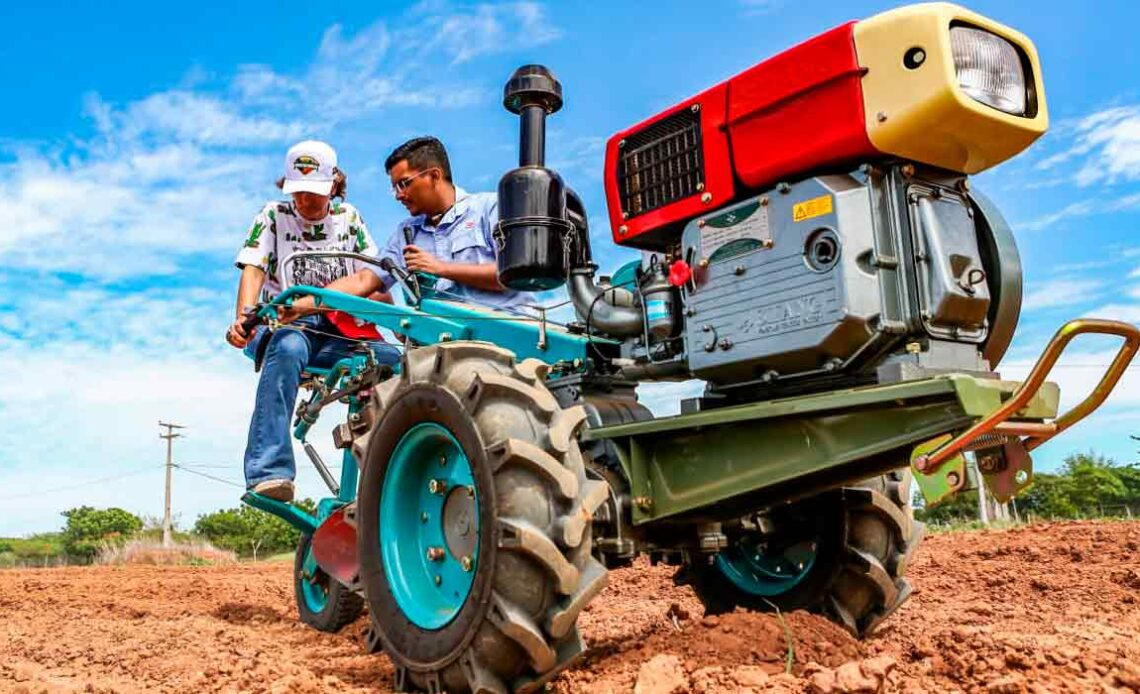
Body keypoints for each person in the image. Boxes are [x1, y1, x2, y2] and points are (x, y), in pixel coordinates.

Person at [226, 140, 400, 502]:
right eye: (299, 193)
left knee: (395, 362)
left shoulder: (348, 219)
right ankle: (269, 472)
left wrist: (400, 324)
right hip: (288, 327)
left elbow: (373, 281)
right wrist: (244, 318)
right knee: (287, 348)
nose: (306, 201)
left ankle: (389, 477)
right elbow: (254, 268)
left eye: (315, 193)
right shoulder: (273, 216)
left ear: (334, 185)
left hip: (342, 330)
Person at [379, 136, 535, 308]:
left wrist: (440, 268)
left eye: (403, 184)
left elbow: (514, 274)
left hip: (507, 330)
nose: (398, 195)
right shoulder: (405, 232)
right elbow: (364, 279)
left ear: (434, 175)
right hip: (445, 334)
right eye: (395, 188)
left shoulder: (491, 208)